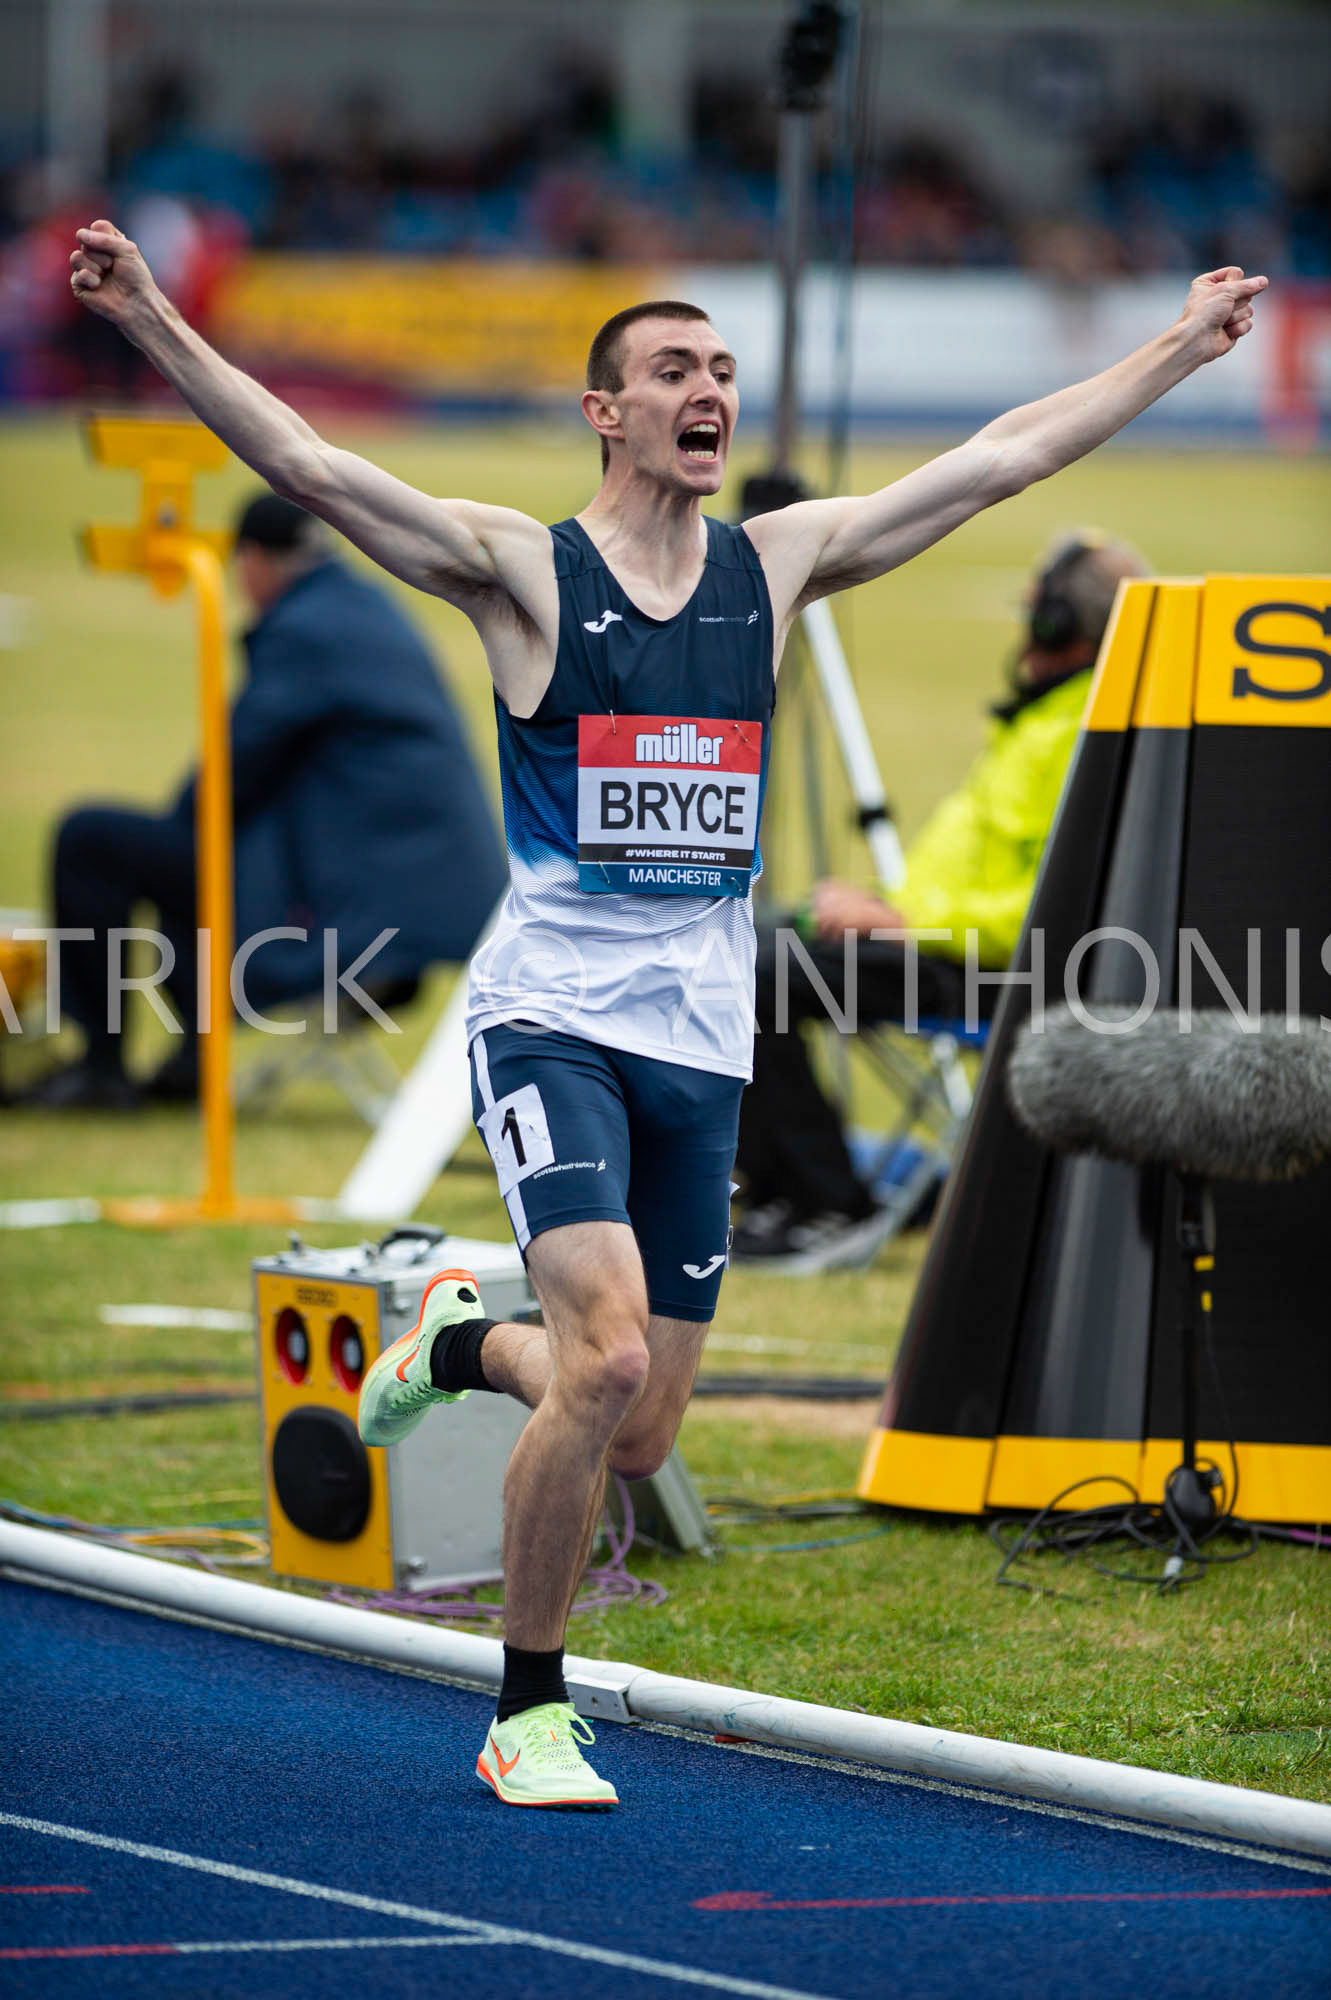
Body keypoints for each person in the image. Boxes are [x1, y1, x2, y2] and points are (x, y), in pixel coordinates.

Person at [67, 215, 1265, 1808]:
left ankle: (454, 1332)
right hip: (552, 1017)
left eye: (718, 368)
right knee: (610, 1358)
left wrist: (1177, 349)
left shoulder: (771, 569)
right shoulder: (519, 573)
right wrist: (149, 312)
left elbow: (994, 461)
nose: (709, 388)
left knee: (630, 1430)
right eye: (672, 369)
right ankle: (525, 1707)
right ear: (606, 412)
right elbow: (310, 468)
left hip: (700, 1040)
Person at [731, 531, 1149, 1272]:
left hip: (1001, 970)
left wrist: (899, 922)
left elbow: (1062, 904)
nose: (1023, 626)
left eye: (1034, 611)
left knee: (753, 974)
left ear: (1060, 625)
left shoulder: (1090, 729)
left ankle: (826, 1202)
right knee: (728, 943)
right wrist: (873, 909)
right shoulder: (1052, 714)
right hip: (939, 944)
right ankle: (776, 1187)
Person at [23, 490, 506, 1108]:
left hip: (366, 909)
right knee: (193, 859)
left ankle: (101, 1069)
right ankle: (186, 1065)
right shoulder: (359, 605)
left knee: (92, 840)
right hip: (421, 894)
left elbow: (233, 768)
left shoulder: (308, 628)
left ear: (251, 560)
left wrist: (177, 829)